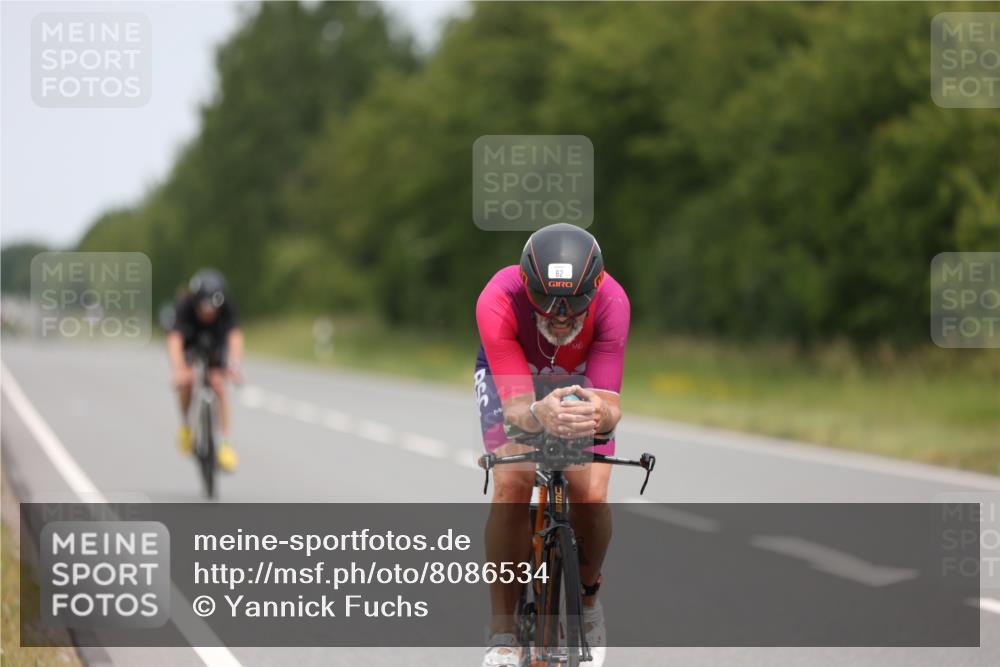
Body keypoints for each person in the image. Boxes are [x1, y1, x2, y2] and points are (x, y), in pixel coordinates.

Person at [475, 223, 630, 667]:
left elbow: (612, 406)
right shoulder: (498, 298)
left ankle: (588, 598)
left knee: (590, 492)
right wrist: (537, 415)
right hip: (513, 373)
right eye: (546, 302)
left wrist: (599, 415)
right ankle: (502, 632)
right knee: (512, 481)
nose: (561, 315)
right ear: (527, 286)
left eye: (575, 304)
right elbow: (518, 410)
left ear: (595, 289)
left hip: (582, 377)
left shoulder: (614, 301)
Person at [167, 268, 243, 472]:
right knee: (187, 384)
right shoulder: (184, 306)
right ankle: (186, 428)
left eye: (213, 310)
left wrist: (234, 365)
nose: (208, 314)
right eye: (204, 309)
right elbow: (175, 340)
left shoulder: (226, 304)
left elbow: (234, 336)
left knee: (219, 386)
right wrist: (179, 370)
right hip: (191, 342)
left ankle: (224, 445)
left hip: (216, 344)